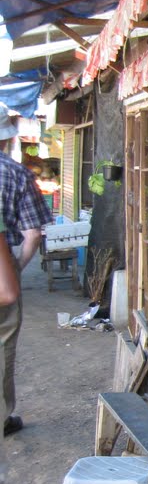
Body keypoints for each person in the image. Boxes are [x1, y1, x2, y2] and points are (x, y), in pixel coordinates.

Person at [0, 116, 52, 436]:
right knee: (3, 347)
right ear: (7, 142)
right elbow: (33, 235)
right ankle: (3, 418)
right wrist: (15, 268)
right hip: (2, 274)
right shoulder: (17, 174)